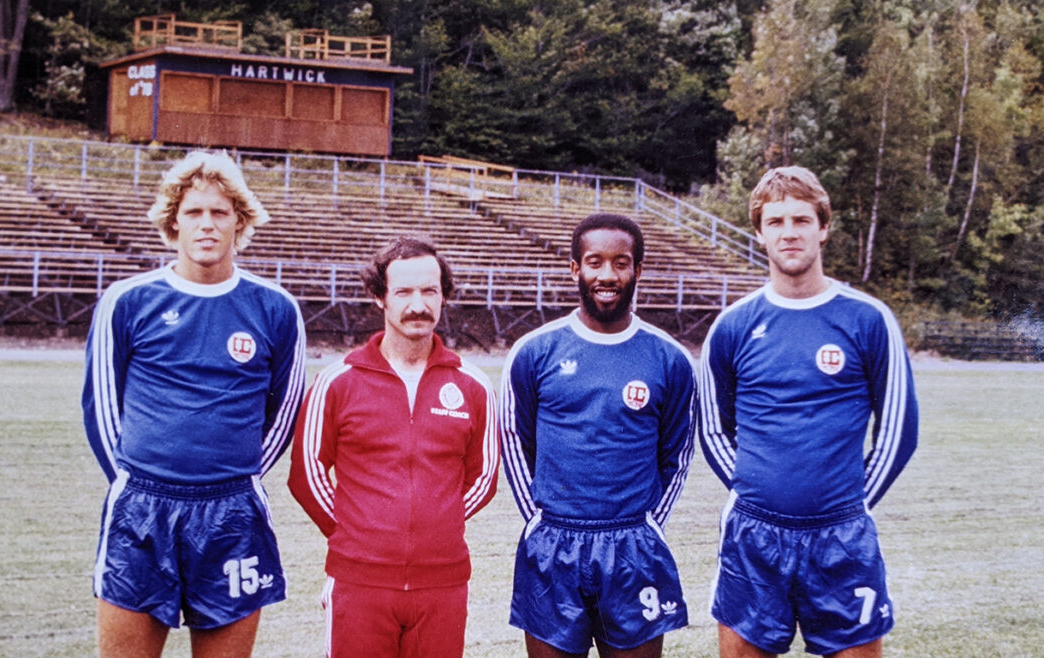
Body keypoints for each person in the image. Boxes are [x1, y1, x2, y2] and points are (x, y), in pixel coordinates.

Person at [82, 150, 306, 658]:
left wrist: (234, 473)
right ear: (173, 222)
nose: (207, 225)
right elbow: (101, 412)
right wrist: (137, 476)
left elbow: (283, 412)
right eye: (194, 213)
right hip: (142, 509)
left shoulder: (275, 308)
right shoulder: (128, 301)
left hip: (231, 515)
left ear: (239, 222)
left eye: (220, 212)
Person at [698, 166, 919, 658]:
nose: (789, 232)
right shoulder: (733, 326)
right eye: (775, 222)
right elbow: (712, 428)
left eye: (801, 219)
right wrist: (755, 490)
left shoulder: (868, 319)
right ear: (759, 233)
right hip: (753, 537)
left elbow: (899, 432)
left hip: (843, 538)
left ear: (823, 227)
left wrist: (851, 501)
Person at [288, 236, 499, 658]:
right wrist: (359, 537)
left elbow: (485, 476)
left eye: (429, 291)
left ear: (444, 296)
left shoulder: (472, 385)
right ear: (379, 297)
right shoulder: (338, 381)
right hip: (360, 583)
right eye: (403, 291)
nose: (417, 304)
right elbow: (306, 474)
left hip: (443, 583)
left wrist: (435, 528)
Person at [499, 213, 696, 658]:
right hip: (553, 543)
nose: (607, 275)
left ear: (637, 271)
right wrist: (538, 516)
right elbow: (515, 439)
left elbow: (677, 453)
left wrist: (647, 523)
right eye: (595, 262)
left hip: (633, 546)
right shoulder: (535, 351)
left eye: (621, 263)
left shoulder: (669, 358)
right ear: (575, 268)